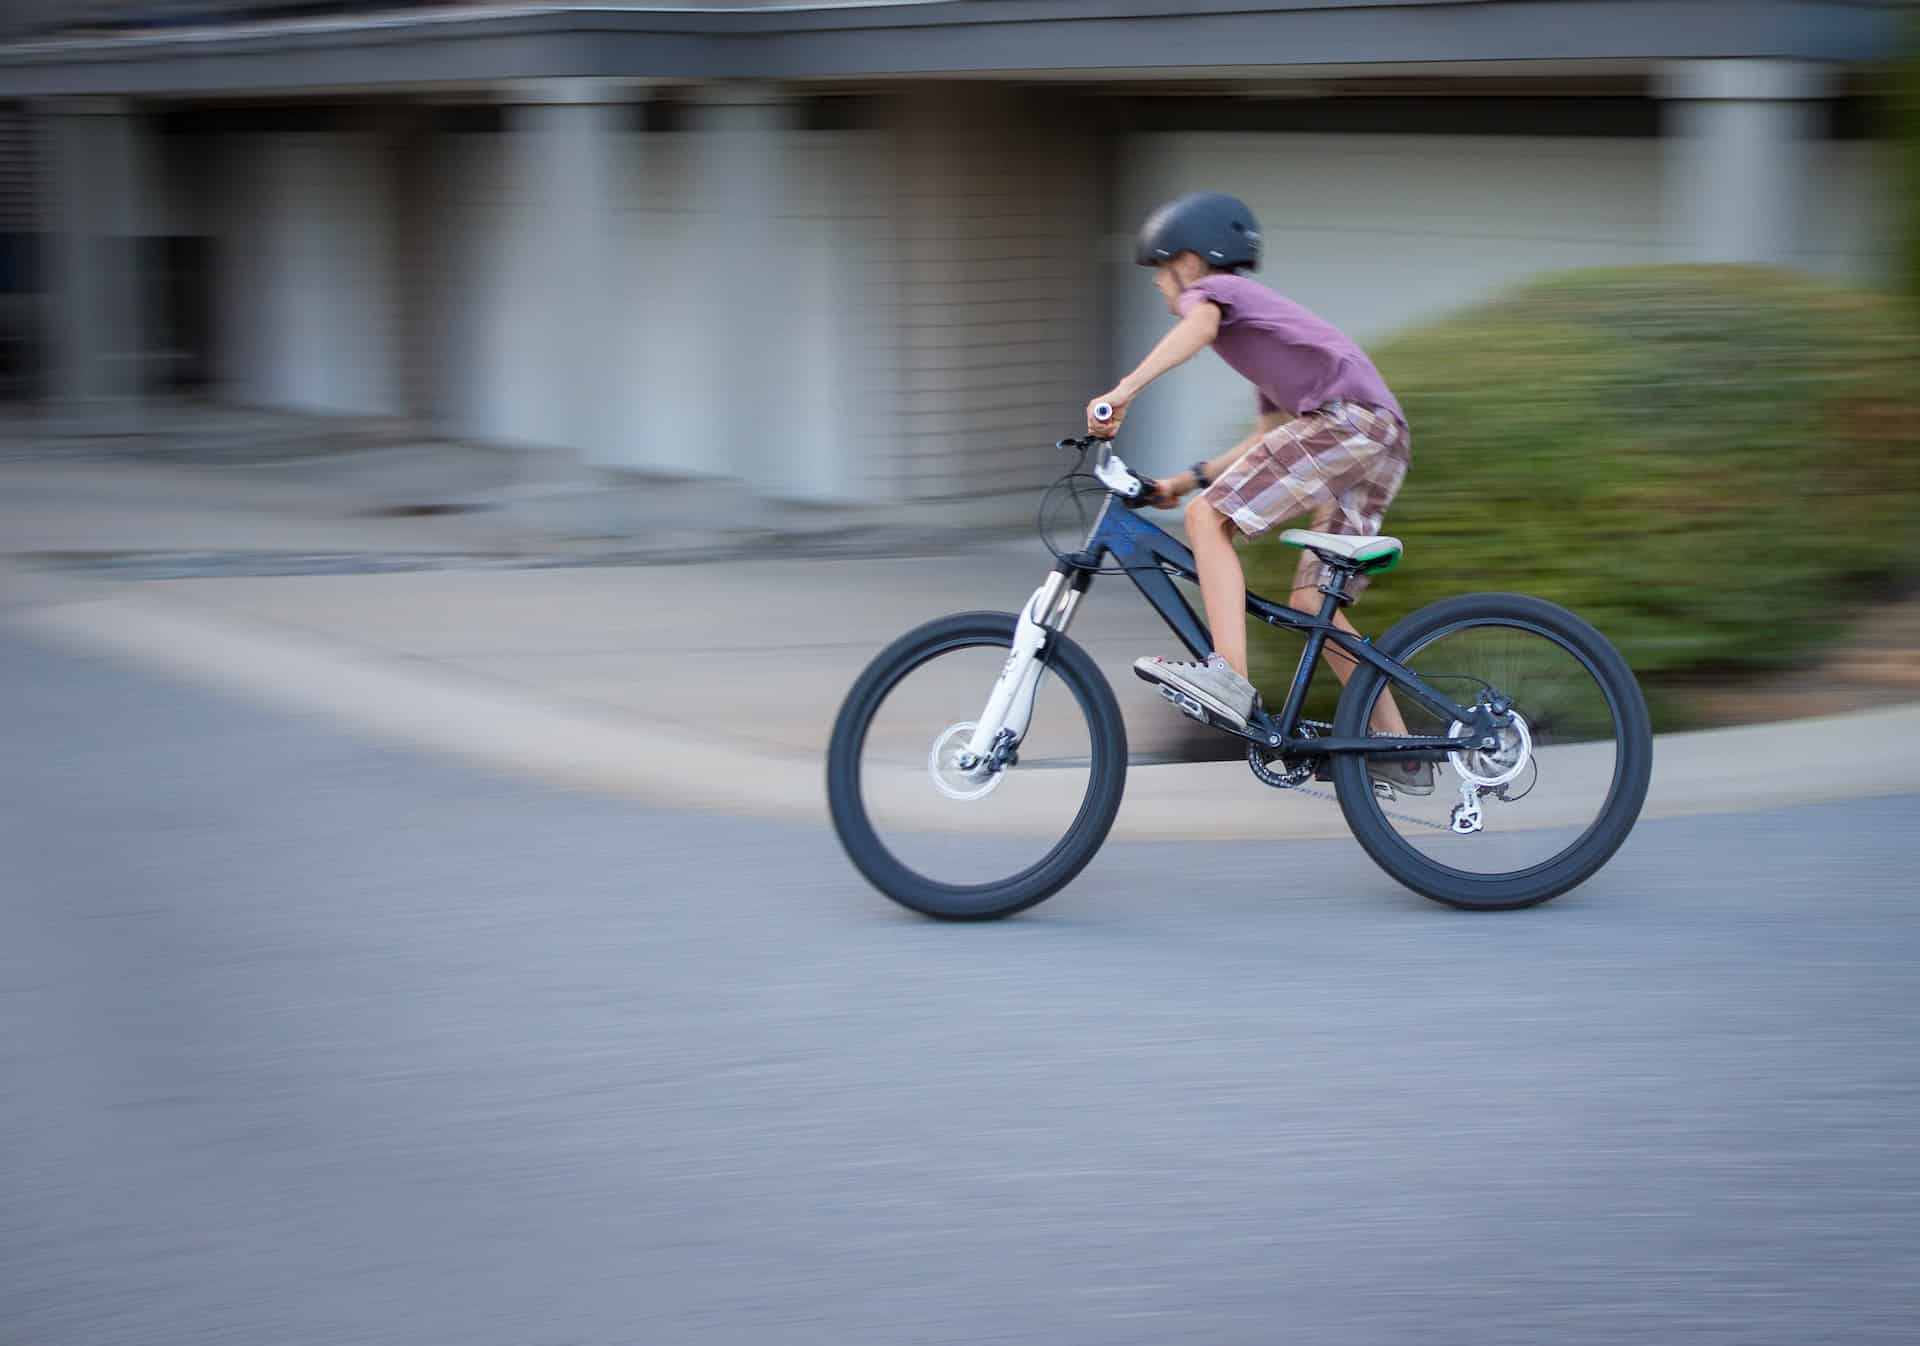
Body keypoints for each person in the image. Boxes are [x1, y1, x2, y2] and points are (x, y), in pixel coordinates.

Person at [1086, 191, 1430, 795]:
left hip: (1350, 423)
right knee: (1312, 601)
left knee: (1207, 521)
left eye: (1160, 270)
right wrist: (1183, 481)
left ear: (1190, 262)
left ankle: (1229, 678)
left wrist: (1124, 391)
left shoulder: (1220, 297)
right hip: (1380, 434)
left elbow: (1200, 323)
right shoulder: (1258, 329)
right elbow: (1270, 438)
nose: (1158, 286)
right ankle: (1399, 751)